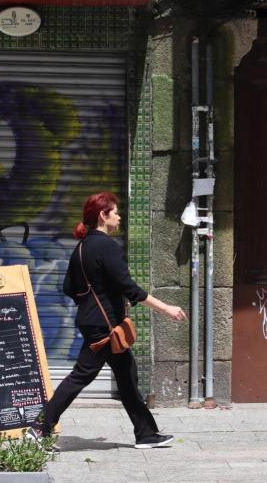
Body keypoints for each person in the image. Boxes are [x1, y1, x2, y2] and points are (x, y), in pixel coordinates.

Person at [34, 192, 187, 449]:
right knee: (81, 376)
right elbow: (129, 287)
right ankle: (40, 429)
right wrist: (166, 308)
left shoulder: (81, 248)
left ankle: (146, 433)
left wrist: (92, 304)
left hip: (96, 322)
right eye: (115, 212)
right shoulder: (106, 246)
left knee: (127, 375)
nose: (119, 216)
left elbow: (69, 288)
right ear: (103, 216)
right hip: (105, 326)